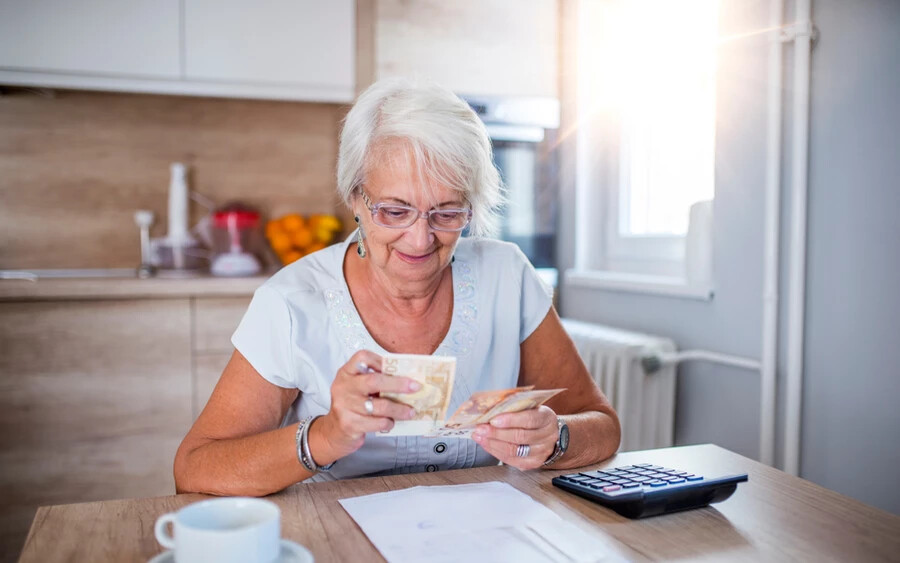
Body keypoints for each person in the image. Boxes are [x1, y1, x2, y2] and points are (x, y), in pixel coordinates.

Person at [174, 78, 620, 496]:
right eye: (394, 211)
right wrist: (325, 435)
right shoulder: (291, 302)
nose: (420, 238)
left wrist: (555, 437)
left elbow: (602, 425)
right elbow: (195, 469)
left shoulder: (507, 275)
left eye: (447, 213)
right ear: (355, 199)